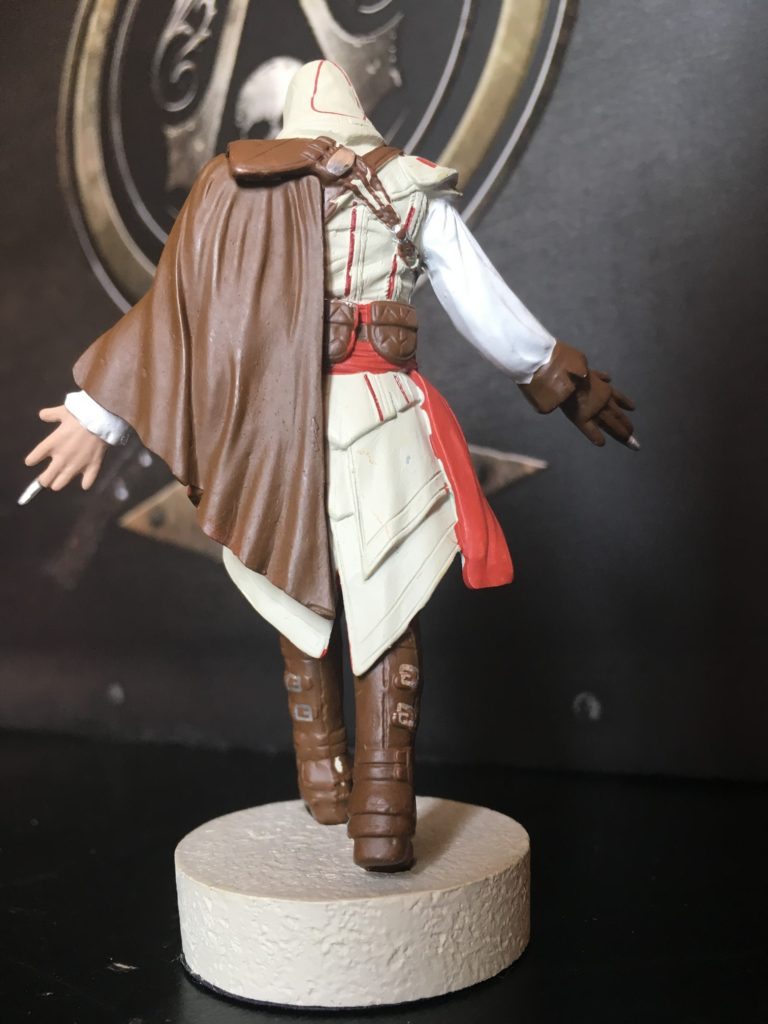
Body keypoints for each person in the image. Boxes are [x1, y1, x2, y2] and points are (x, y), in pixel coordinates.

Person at [23, 60, 636, 871]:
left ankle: (328, 776)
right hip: (368, 417)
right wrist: (562, 378)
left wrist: (94, 413)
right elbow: (485, 308)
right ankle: (378, 805)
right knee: (382, 599)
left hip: (284, 428)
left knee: (297, 580)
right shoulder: (397, 188)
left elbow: (172, 309)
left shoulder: (239, 189)